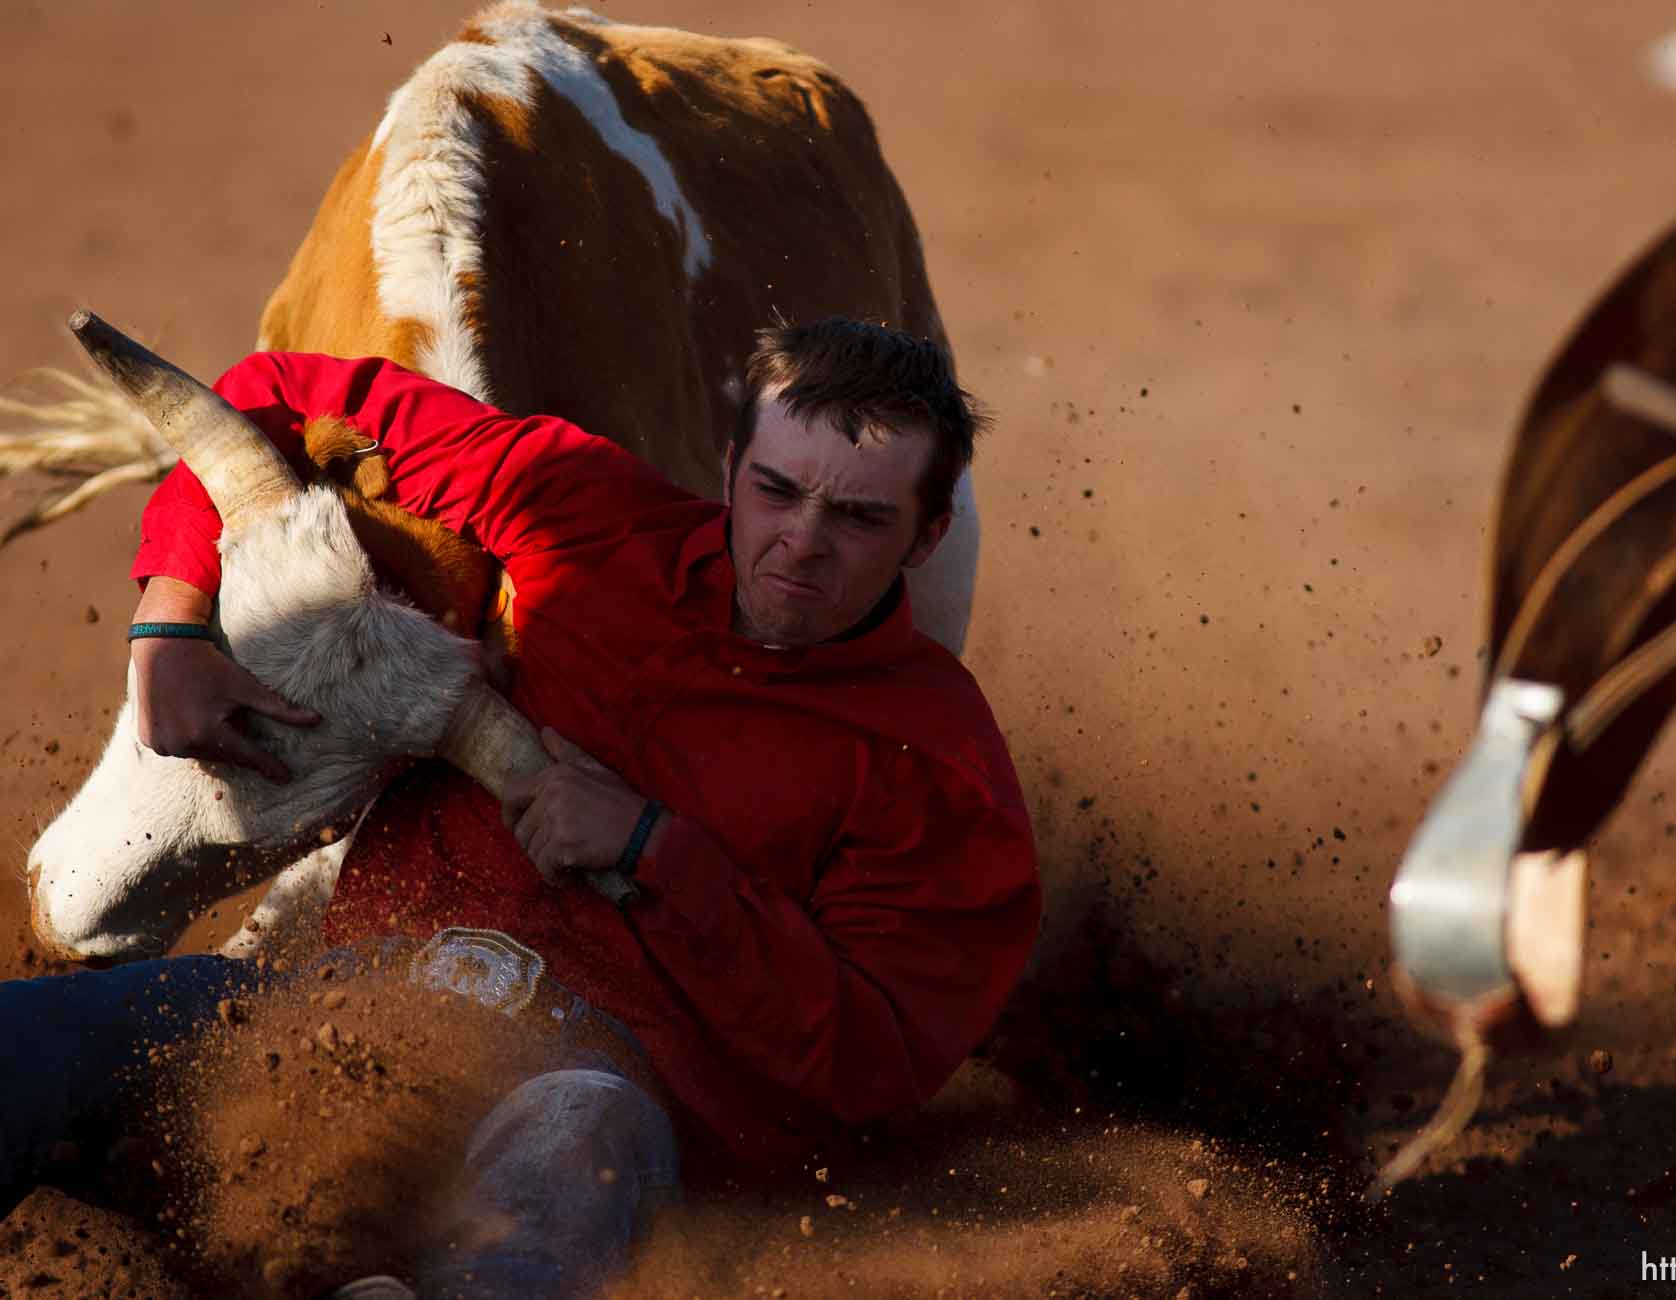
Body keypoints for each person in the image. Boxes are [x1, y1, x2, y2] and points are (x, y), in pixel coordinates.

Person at [2, 320, 1041, 1299]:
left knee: (566, 1163)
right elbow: (268, 399)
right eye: (776, 491)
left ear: (928, 531)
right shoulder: (583, 511)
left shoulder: (938, 768)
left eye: (859, 517)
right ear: (730, 470)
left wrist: (660, 849)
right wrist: (171, 618)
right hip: (336, 1008)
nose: (802, 541)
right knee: (29, 1041)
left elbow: (874, 1056)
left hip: (602, 1089)